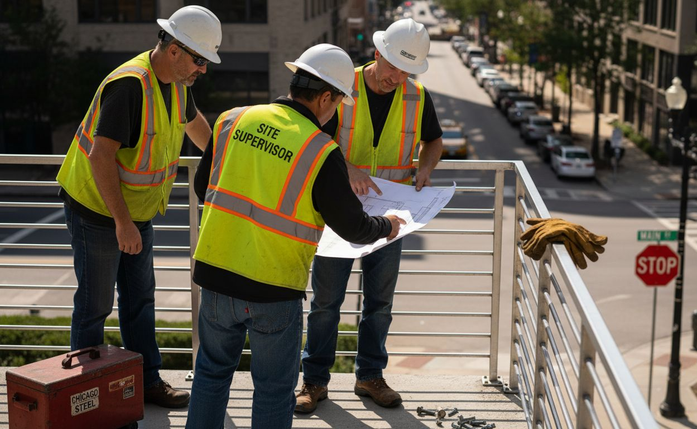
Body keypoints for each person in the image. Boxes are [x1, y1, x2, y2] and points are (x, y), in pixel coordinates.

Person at [185, 44, 405, 429]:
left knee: (211, 374)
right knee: (272, 389)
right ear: (324, 97)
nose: (336, 112)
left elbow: (204, 188)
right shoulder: (320, 148)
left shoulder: (232, 120)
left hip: (216, 277)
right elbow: (353, 227)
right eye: (338, 102)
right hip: (274, 287)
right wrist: (388, 225)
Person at [56, 5, 222, 408]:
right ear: (175, 50)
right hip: (97, 211)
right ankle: (86, 395)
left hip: (136, 213)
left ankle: (146, 382)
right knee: (95, 305)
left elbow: (194, 123)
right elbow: (99, 157)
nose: (202, 69)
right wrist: (122, 223)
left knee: (140, 301)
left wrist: (224, 163)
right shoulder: (130, 85)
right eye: (199, 59)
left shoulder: (177, 82)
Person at [297, 18, 444, 413]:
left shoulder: (417, 97)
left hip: (391, 218)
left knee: (380, 303)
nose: (397, 76)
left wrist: (427, 167)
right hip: (338, 209)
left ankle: (370, 377)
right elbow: (312, 136)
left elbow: (433, 140)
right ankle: (314, 382)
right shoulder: (342, 86)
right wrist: (347, 168)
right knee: (326, 302)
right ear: (377, 53)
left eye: (406, 69)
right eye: (392, 65)